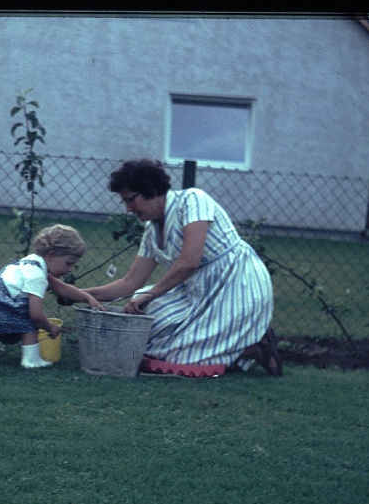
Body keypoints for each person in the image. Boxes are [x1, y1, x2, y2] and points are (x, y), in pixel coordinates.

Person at [83, 159, 281, 376]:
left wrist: (150, 293)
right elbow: (130, 283)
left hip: (235, 283)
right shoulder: (151, 232)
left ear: (151, 189)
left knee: (183, 357)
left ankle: (253, 347)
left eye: (131, 200)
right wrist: (81, 294)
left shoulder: (193, 200)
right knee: (146, 326)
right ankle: (236, 344)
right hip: (197, 290)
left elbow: (189, 262)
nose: (128, 208)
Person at [0, 224, 101, 368]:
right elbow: (36, 315)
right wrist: (50, 327)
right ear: (50, 255)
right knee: (29, 320)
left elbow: (60, 287)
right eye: (68, 263)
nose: (70, 269)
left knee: (1, 320)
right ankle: (31, 360)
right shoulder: (36, 277)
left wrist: (87, 297)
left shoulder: (32, 262)